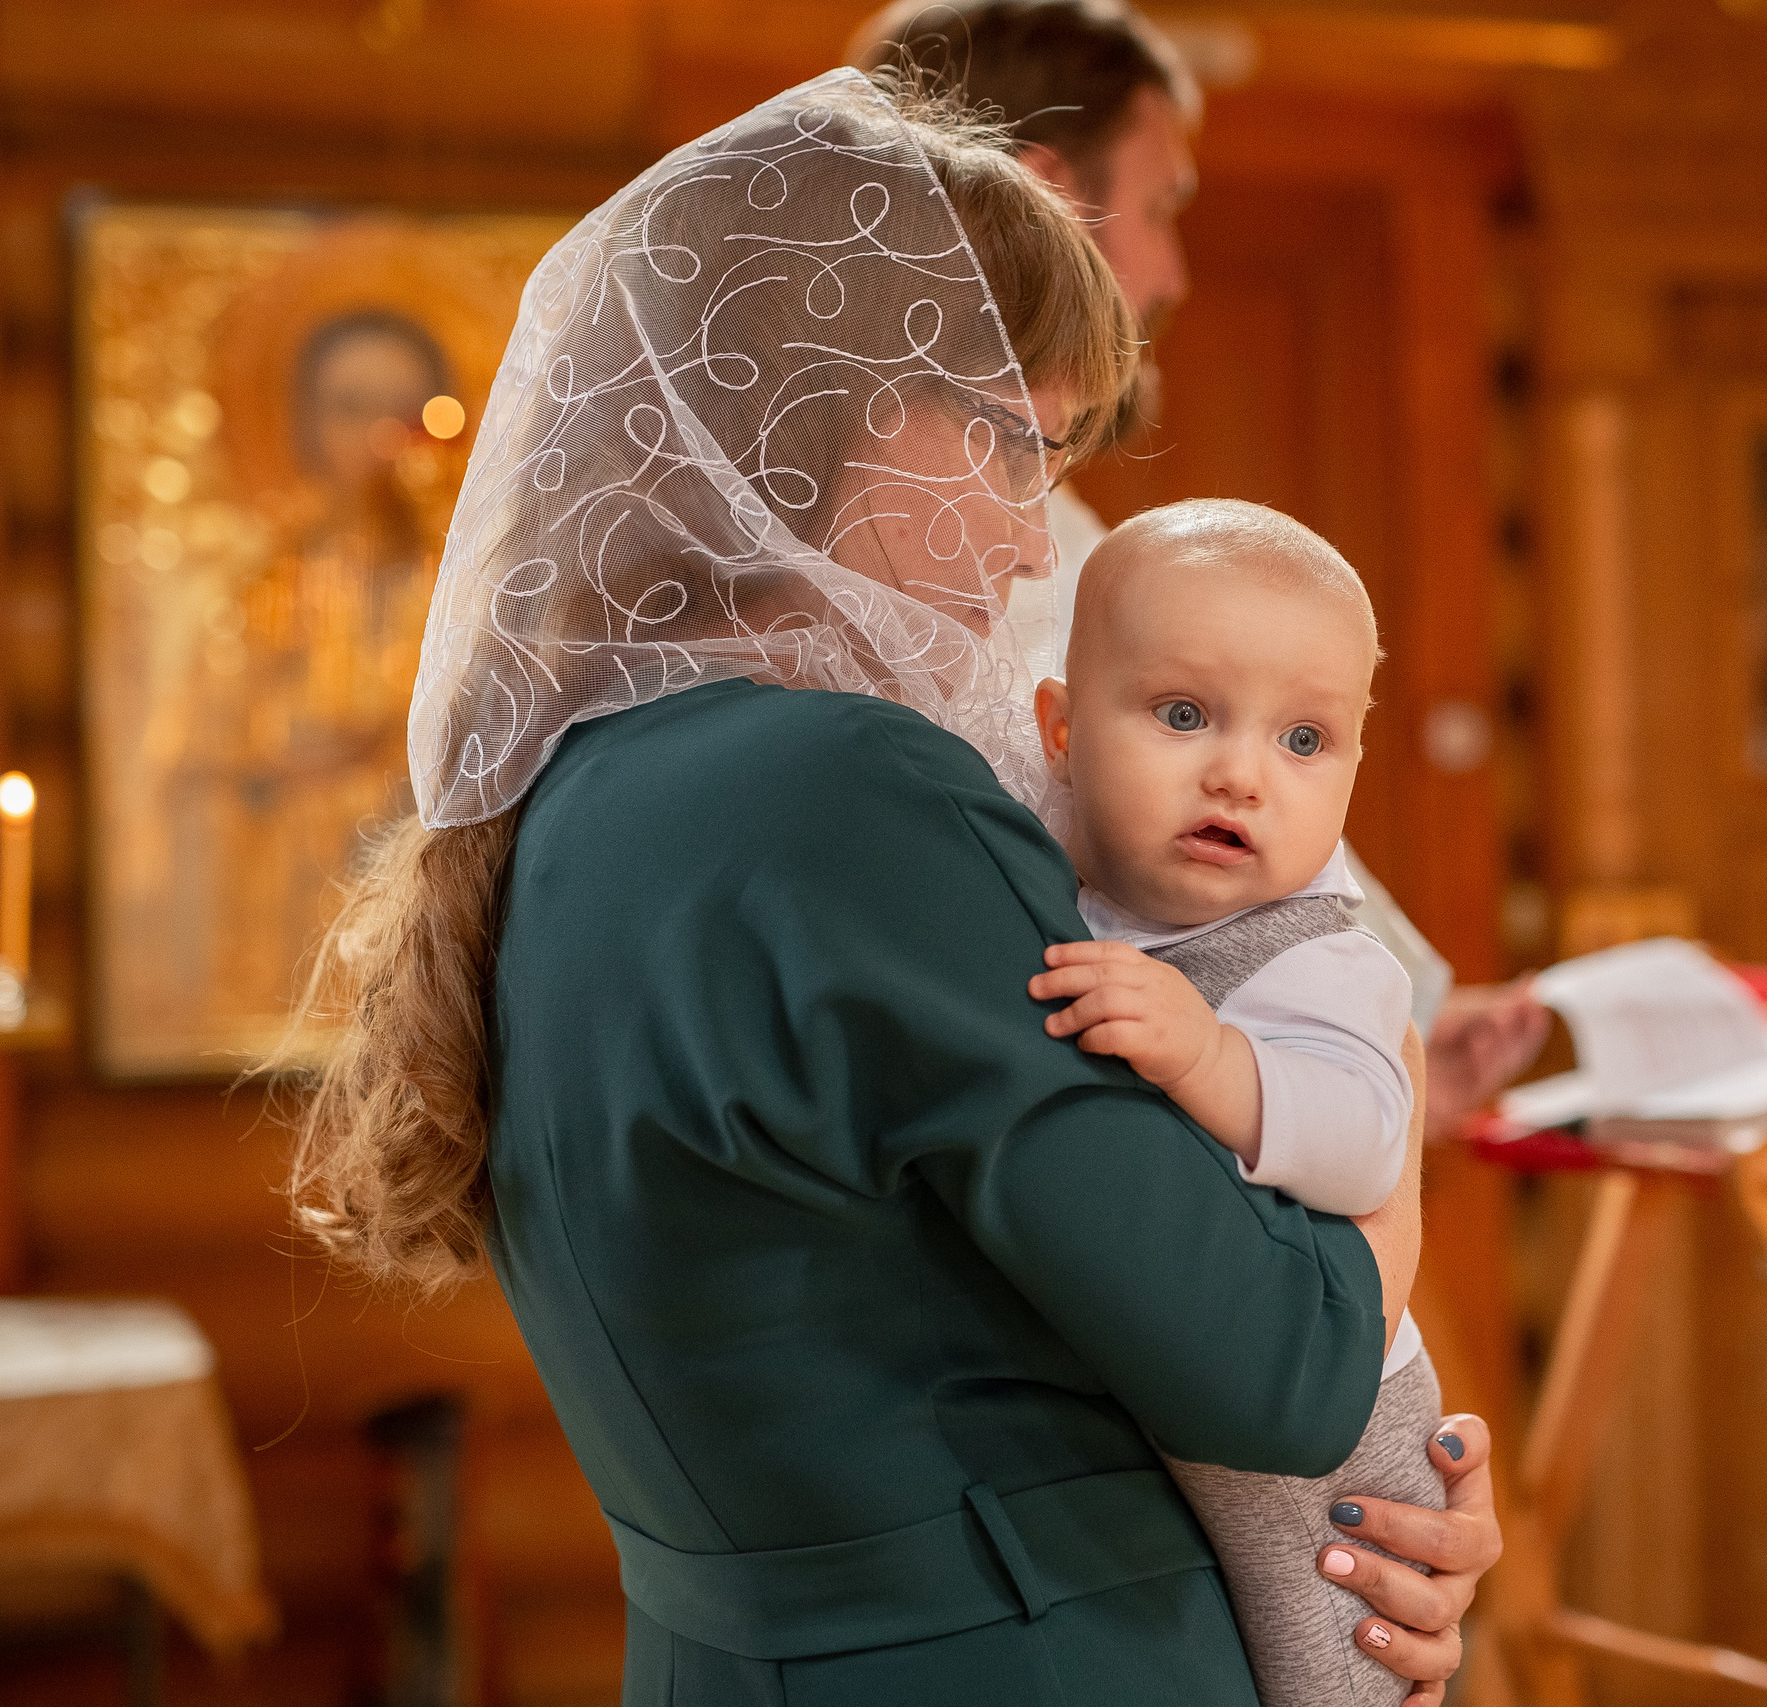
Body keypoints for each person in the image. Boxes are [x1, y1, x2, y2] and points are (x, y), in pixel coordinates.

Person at [279, 69, 1496, 1707]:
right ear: (816, 407)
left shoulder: (564, 798)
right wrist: (1387, 1125)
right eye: (1012, 445)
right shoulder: (852, 794)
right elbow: (1277, 1364)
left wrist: (1363, 1536)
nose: (1021, 543)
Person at [849, 0, 1550, 1133]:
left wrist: (1406, 1014)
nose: (1173, 271)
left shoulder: (1014, 509)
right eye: (1166, 206)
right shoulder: (971, 538)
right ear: (1051, 198)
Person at [1029, 498, 1444, 1707]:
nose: (1240, 772)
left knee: (1331, 1664)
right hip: (1173, 1400)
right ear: (1058, 728)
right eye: (1181, 714)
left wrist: (1211, 1057)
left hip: (1334, 1425)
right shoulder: (1045, 879)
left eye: (1304, 741)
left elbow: (1368, 1145)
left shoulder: (1314, 957)